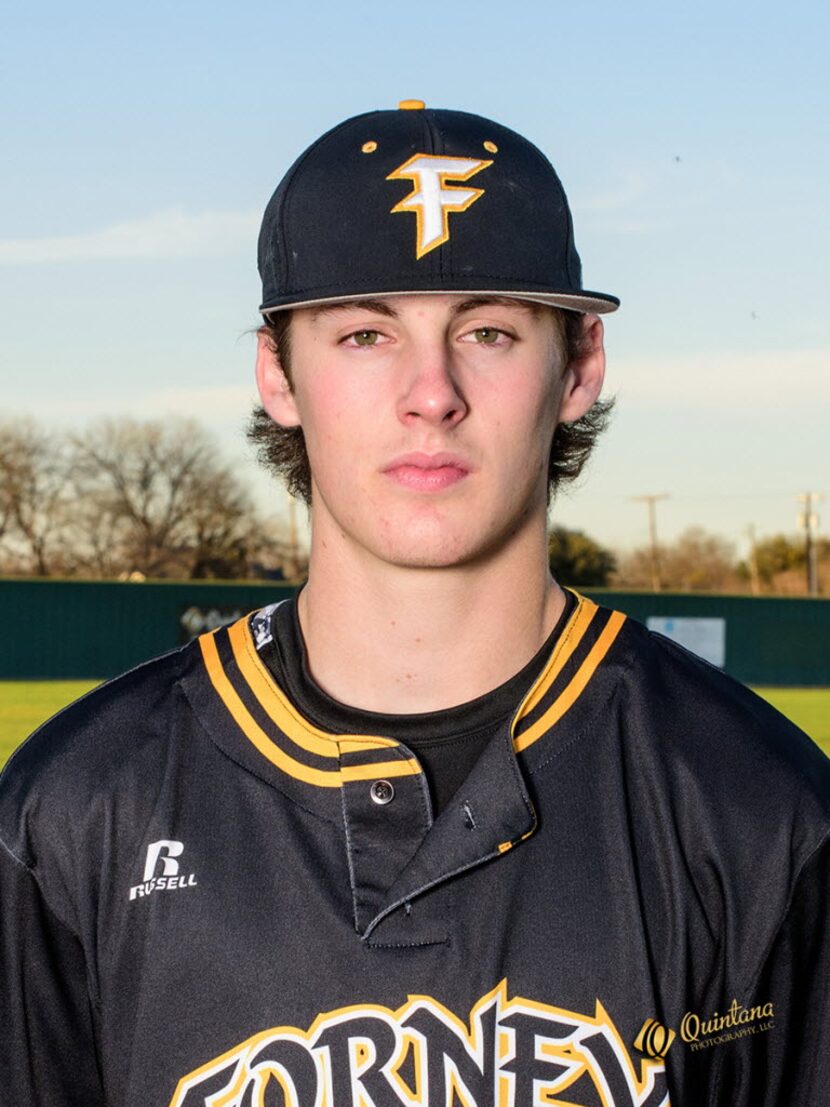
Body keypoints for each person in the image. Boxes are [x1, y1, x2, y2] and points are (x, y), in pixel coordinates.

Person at [1, 101, 827, 1107]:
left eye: (486, 330)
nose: (429, 392)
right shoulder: (74, 813)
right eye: (362, 334)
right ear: (277, 373)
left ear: (578, 366)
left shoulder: (756, 811)